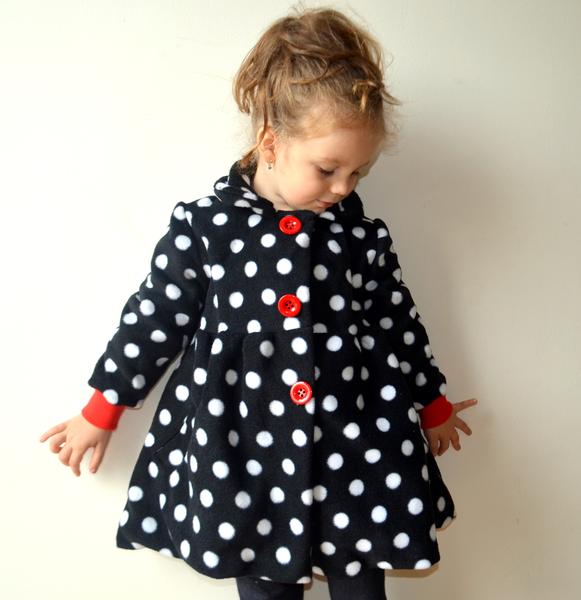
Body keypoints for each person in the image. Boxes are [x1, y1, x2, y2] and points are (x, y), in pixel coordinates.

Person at [40, 5, 477, 599]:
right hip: (245, 448)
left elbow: (396, 322)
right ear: (271, 141)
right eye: (328, 169)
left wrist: (432, 402)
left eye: (358, 172)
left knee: (361, 577)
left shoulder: (360, 236)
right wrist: (102, 409)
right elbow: (155, 318)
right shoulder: (207, 227)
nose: (343, 188)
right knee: (265, 581)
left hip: (358, 439)